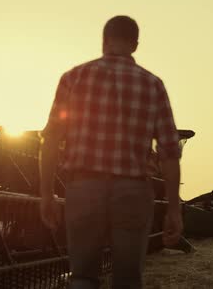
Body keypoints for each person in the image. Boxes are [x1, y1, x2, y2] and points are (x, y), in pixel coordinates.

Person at [39, 16, 183, 289]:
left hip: (83, 188)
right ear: (135, 45)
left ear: (104, 41)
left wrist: (46, 193)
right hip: (133, 192)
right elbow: (169, 152)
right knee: (128, 280)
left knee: (82, 277)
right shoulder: (153, 85)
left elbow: (51, 139)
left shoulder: (73, 78)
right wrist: (174, 209)